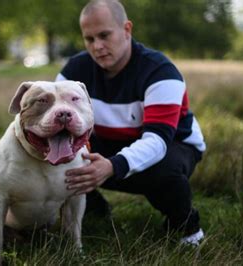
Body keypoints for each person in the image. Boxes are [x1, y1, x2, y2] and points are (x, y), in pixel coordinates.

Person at [55, 0, 206, 246]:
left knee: (161, 168)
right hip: (108, 140)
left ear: (127, 29)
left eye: (104, 35)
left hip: (173, 145)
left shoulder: (161, 72)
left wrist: (112, 166)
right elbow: (56, 121)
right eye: (89, 39)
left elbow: (157, 142)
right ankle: (94, 211)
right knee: (60, 151)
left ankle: (187, 228)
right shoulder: (75, 69)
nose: (98, 46)